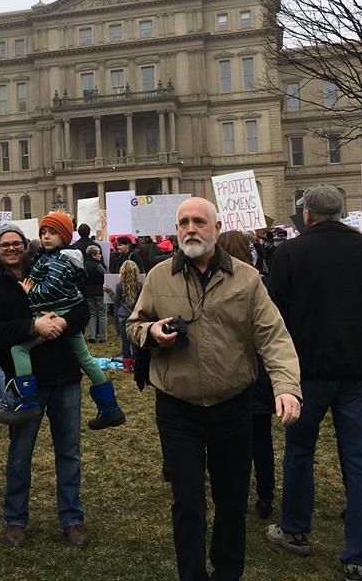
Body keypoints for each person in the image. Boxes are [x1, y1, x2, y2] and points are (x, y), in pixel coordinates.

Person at [127, 197, 301, 581]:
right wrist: (152, 333)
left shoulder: (247, 278)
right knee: (188, 501)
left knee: (231, 500)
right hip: (177, 409)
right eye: (184, 222)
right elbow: (134, 324)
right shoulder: (157, 276)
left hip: (232, 406)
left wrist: (286, 386)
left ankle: (227, 572)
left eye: (199, 222)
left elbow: (273, 337)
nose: (191, 229)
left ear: (216, 228)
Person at [265, 185, 362, 581]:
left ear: (307, 214)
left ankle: (295, 528)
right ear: (341, 213)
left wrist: (278, 373)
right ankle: (358, 555)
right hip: (360, 373)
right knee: (361, 461)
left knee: (299, 452)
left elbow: (275, 320)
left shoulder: (290, 253)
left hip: (308, 372)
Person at [0, 223, 92, 548]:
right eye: (4, 245)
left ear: (25, 246)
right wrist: (32, 326)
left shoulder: (50, 270)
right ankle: (15, 519)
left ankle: (72, 518)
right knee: (20, 453)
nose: (11, 249)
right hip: (24, 382)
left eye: (16, 243)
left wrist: (65, 323)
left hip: (65, 375)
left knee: (69, 453)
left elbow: (82, 308)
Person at [0, 212, 125, 431]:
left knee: (19, 348)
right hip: (63, 311)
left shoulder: (59, 259)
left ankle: (27, 400)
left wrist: (30, 292)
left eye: (52, 232)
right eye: (43, 232)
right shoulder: (54, 256)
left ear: (65, 236)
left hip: (57, 312)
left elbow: (51, 289)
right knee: (85, 358)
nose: (46, 237)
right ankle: (110, 406)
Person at [216, 229, 278, 521]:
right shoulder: (262, 281)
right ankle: (265, 495)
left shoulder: (214, 283)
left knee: (225, 439)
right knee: (261, 437)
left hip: (227, 370)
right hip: (257, 370)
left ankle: (232, 494)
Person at [105, 259, 142, 373]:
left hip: (122, 316)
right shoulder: (140, 286)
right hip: (135, 316)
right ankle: (136, 363)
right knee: (135, 340)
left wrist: (110, 292)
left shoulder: (119, 286)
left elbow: (117, 302)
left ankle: (126, 366)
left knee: (125, 341)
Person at [83, 245, 107, 343]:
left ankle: (91, 335)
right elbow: (105, 274)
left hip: (88, 291)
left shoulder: (84, 264)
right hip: (99, 291)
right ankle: (102, 336)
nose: (100, 255)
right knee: (102, 314)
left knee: (92, 314)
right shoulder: (98, 265)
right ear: (94, 255)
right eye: (99, 254)